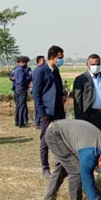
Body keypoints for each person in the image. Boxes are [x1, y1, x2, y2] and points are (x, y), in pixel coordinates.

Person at [32, 45, 67, 178]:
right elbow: (36, 94)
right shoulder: (40, 71)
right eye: (60, 58)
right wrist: (43, 114)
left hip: (58, 110)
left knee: (60, 138)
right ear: (53, 57)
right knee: (45, 140)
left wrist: (62, 95)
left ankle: (60, 164)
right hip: (47, 111)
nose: (61, 60)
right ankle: (45, 168)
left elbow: (58, 86)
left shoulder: (56, 70)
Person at [73, 54, 101, 135]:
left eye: (98, 64)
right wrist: (79, 119)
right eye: (93, 64)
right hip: (89, 115)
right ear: (87, 64)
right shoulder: (81, 79)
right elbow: (77, 100)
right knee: (90, 139)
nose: (96, 66)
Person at [10, 56, 32, 127]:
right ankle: (20, 122)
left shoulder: (26, 69)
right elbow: (12, 77)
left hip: (17, 87)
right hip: (21, 88)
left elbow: (30, 77)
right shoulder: (18, 69)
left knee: (20, 105)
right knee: (21, 105)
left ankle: (20, 120)